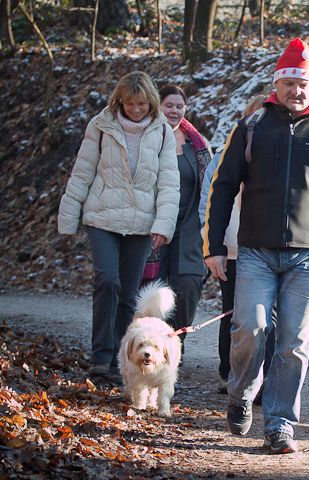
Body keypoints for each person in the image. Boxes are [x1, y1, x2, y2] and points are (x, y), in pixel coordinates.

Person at [203, 38, 309, 454]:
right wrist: (215, 246)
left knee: (293, 343)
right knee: (250, 330)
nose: (297, 90)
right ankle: (240, 395)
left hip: (308, 256)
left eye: (304, 82)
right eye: (290, 82)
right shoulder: (253, 126)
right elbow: (222, 188)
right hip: (254, 252)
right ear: (278, 83)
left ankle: (279, 424)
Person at [58, 71, 179, 385]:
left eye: (141, 104)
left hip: (140, 223)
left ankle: (118, 358)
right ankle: (101, 355)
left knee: (128, 293)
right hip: (102, 218)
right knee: (107, 281)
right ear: (119, 101)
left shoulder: (162, 131)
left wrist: (163, 224)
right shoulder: (101, 127)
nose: (136, 110)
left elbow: (169, 183)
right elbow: (82, 172)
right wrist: (69, 217)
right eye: (129, 104)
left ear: (150, 103)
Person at [199, 94, 270, 395]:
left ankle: (260, 376)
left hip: (266, 250)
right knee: (232, 313)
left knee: (263, 318)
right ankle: (228, 371)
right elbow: (209, 204)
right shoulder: (223, 156)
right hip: (232, 249)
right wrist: (213, 246)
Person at [154, 85, 211, 349]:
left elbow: (210, 185)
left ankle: (175, 347)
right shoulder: (146, 139)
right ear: (158, 106)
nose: (174, 111)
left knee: (187, 287)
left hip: (188, 227)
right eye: (169, 105)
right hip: (151, 226)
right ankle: (151, 348)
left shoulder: (196, 144)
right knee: (154, 291)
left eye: (179, 106)